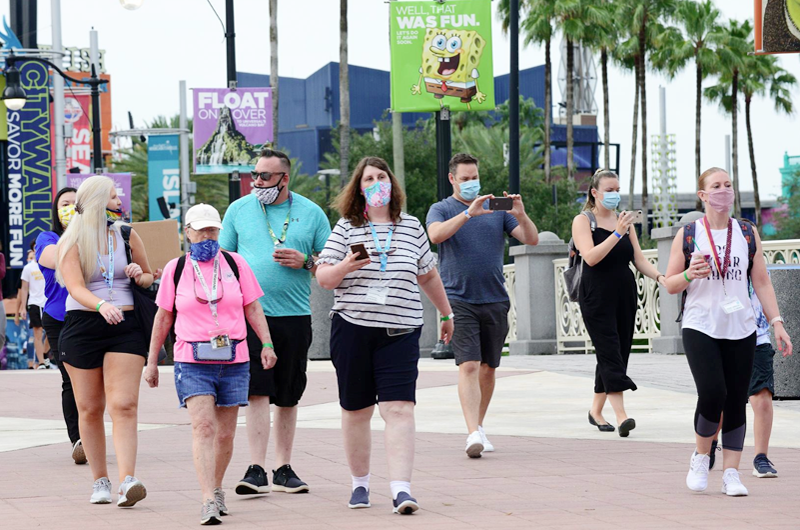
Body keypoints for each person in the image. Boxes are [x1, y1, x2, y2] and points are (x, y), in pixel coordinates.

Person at [316, 156, 454, 514]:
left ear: (391, 183)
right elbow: (325, 278)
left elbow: (427, 274)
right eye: (368, 179)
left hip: (401, 331)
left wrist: (446, 311)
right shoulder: (346, 227)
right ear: (358, 189)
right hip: (353, 329)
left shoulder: (411, 227)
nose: (376, 183)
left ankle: (401, 489)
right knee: (357, 410)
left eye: (381, 177)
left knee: (399, 408)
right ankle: (359, 484)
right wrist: (348, 264)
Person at [143, 204, 277, 525]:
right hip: (192, 358)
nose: (207, 236)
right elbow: (163, 317)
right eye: (200, 230)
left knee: (225, 435)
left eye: (213, 230)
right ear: (186, 232)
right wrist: (151, 361)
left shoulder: (235, 263)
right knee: (203, 427)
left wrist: (267, 343)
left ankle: (216, 487)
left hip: (234, 357)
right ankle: (206, 498)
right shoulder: (176, 269)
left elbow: (253, 307)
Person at [664, 167, 792, 497]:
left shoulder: (747, 232)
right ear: (703, 195)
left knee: (736, 400)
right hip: (700, 325)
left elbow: (761, 281)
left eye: (728, 185)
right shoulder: (689, 233)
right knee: (712, 392)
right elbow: (669, 284)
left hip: (742, 328)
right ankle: (700, 455)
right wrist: (690, 275)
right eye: (716, 186)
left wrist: (776, 322)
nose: (724, 191)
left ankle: (731, 473)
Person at [220, 148, 331, 496]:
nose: (257, 182)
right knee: (256, 392)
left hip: (295, 317)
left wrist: (306, 260)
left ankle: (283, 467)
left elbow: (330, 266)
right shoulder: (238, 209)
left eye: (265, 176)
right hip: (251, 318)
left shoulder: (311, 213)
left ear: (285, 178)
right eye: (255, 175)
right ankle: (255, 469)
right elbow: (222, 262)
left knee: (288, 395)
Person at [426, 153, 539, 458]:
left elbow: (532, 240)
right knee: (469, 364)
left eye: (474, 177)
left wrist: (521, 213)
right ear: (452, 179)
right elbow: (434, 235)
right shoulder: (441, 208)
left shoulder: (495, 208)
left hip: (495, 298)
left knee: (488, 368)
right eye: (465, 179)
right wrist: (467, 214)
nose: (471, 183)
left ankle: (480, 425)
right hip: (458, 298)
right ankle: (472, 432)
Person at [56, 175, 154, 506]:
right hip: (84, 324)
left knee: (124, 404)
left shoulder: (126, 233)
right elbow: (74, 286)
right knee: (90, 406)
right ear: (98, 202)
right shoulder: (71, 241)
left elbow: (150, 274)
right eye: (113, 197)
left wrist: (140, 275)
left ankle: (128, 480)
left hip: (126, 325)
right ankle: (100, 480)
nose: (119, 202)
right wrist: (100, 304)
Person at [571, 169, 666, 437]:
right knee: (610, 350)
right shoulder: (583, 221)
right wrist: (616, 234)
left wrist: (660, 276)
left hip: (625, 293)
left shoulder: (624, 221)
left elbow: (638, 259)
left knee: (618, 352)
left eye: (617, 189)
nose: (614, 195)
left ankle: (595, 411)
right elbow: (590, 257)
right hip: (596, 295)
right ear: (595, 193)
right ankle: (622, 416)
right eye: (609, 190)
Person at [707, 278, 792, 479]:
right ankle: (709, 444)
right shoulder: (712, 252)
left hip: (757, 336)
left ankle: (761, 457)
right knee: (722, 399)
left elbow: (765, 289)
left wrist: (777, 324)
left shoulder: (754, 256)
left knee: (762, 396)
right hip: (720, 336)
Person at [35, 187, 85, 463]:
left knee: (94, 382)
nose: (69, 208)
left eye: (75, 204)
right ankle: (78, 440)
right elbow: (54, 259)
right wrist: (81, 236)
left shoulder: (98, 236)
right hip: (59, 318)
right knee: (70, 379)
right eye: (64, 204)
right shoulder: (48, 238)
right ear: (56, 210)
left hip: (90, 315)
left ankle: (91, 435)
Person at [17, 245, 49, 369]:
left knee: (52, 333)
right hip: (34, 303)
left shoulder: (48, 263)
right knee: (37, 333)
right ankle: (41, 362)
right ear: (33, 250)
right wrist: (23, 307)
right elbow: (24, 289)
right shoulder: (28, 268)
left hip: (48, 302)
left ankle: (45, 354)